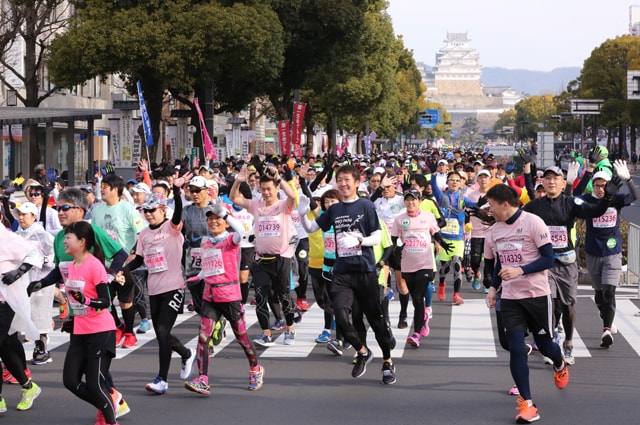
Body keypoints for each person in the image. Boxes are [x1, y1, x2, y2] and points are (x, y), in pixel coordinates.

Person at [300, 164, 396, 384]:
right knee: (343, 317)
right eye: (339, 180)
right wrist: (302, 212)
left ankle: (388, 361)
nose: (342, 184)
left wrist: (359, 240)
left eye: (346, 180)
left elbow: (377, 238)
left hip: (364, 270)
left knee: (373, 318)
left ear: (356, 182)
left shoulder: (366, 206)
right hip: (342, 272)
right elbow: (311, 228)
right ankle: (362, 352)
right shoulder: (334, 210)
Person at [483, 184, 568, 424]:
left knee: (545, 344)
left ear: (505, 204)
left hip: (537, 295)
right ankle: (528, 403)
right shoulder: (495, 231)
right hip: (511, 298)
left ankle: (559, 362)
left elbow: (549, 259)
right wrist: (492, 288)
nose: (490, 210)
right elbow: (500, 263)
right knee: (516, 348)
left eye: (492, 205)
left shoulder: (533, 223)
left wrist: (520, 270)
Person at [523, 165, 615, 365]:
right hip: (545, 264)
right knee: (550, 303)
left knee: (568, 306)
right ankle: (554, 342)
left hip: (567, 263)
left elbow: (595, 211)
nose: (551, 182)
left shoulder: (572, 203)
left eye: (556, 178)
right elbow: (515, 217)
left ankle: (569, 343)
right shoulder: (535, 206)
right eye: (547, 178)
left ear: (562, 183)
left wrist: (607, 197)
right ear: (543, 182)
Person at [120, 175, 197, 395]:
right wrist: (122, 270)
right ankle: (186, 354)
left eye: (153, 210)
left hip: (174, 287)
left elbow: (179, 211)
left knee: (163, 330)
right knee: (161, 333)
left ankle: (162, 379)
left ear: (163, 210)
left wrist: (177, 190)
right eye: (146, 210)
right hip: (154, 289)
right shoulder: (143, 234)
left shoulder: (172, 227)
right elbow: (138, 260)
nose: (149, 214)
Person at [184, 199, 264, 394]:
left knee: (241, 337)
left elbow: (242, 233)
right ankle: (203, 378)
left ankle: (255, 369)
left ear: (226, 222)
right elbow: (208, 267)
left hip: (229, 296)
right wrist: (198, 277)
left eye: (217, 218)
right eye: (210, 219)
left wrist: (226, 214)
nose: (213, 222)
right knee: (203, 338)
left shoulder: (230, 240)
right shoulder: (205, 241)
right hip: (210, 295)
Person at [230, 165, 298, 346]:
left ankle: (290, 328)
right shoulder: (256, 205)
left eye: (269, 189)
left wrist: (279, 178)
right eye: (263, 189)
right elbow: (234, 198)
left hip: (281, 258)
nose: (266, 193)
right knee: (260, 296)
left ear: (277, 189)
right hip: (260, 259)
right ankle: (266, 333)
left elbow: (293, 196)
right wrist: (239, 180)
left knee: (283, 296)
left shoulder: (284, 205)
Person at [61, 221, 119, 425]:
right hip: (79, 331)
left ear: (82, 241)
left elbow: (105, 301)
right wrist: (72, 317)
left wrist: (86, 300)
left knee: (95, 384)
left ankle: (111, 420)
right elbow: (75, 300)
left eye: (68, 238)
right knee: (70, 381)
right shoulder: (70, 266)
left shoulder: (95, 266)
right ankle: (107, 403)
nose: (65, 241)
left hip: (100, 331)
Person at [577, 161, 638, 348]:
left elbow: (635, 196)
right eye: (597, 185)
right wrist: (587, 172)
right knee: (599, 295)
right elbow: (574, 197)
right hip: (593, 252)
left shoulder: (616, 199)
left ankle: (605, 330)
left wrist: (628, 179)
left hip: (613, 252)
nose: (601, 189)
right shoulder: (588, 201)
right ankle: (606, 315)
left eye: (604, 185)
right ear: (593, 187)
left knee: (609, 292)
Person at [92, 174, 147, 348]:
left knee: (125, 301)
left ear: (115, 189)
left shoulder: (127, 209)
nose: (102, 189)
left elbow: (142, 232)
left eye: (105, 186)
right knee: (104, 300)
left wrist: (134, 253)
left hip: (123, 262)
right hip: (103, 264)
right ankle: (117, 327)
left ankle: (130, 332)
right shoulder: (97, 210)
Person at [390, 189, 450, 348]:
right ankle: (423, 320)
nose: (411, 203)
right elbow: (393, 239)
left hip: (425, 263)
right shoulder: (399, 219)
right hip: (407, 264)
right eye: (407, 200)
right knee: (415, 299)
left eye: (414, 200)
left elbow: (435, 233)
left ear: (419, 201)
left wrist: (443, 244)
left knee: (417, 297)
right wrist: (395, 250)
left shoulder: (428, 217)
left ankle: (416, 334)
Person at [0, 204, 42, 413]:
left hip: (4, 302)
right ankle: (28, 386)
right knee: (5, 348)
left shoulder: (8, 238)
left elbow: (34, 255)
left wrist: (17, 272)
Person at [13, 202, 57, 365]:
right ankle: (14, 351)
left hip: (41, 281)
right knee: (18, 316)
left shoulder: (42, 234)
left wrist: (41, 260)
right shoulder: (17, 235)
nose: (21, 217)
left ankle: (42, 348)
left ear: (33, 216)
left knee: (39, 316)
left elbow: (54, 257)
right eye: (19, 214)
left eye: (24, 214)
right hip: (21, 282)